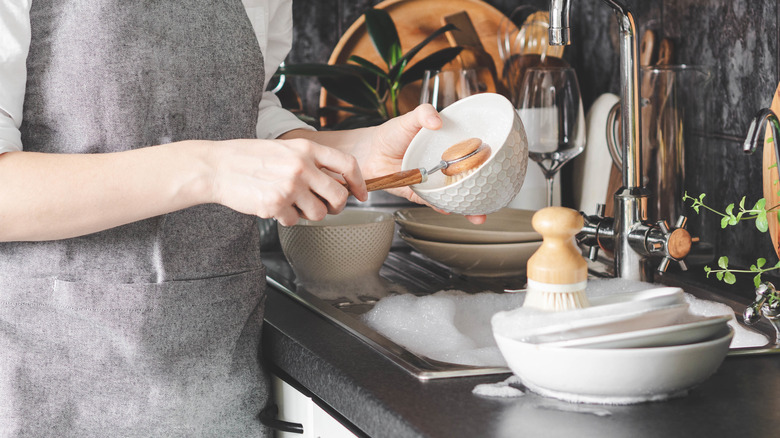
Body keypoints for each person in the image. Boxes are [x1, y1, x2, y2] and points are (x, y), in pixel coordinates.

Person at [0, 0, 485, 436]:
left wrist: (362, 153)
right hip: (46, 383)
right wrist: (206, 168)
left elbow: (243, 112)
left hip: (211, 381)